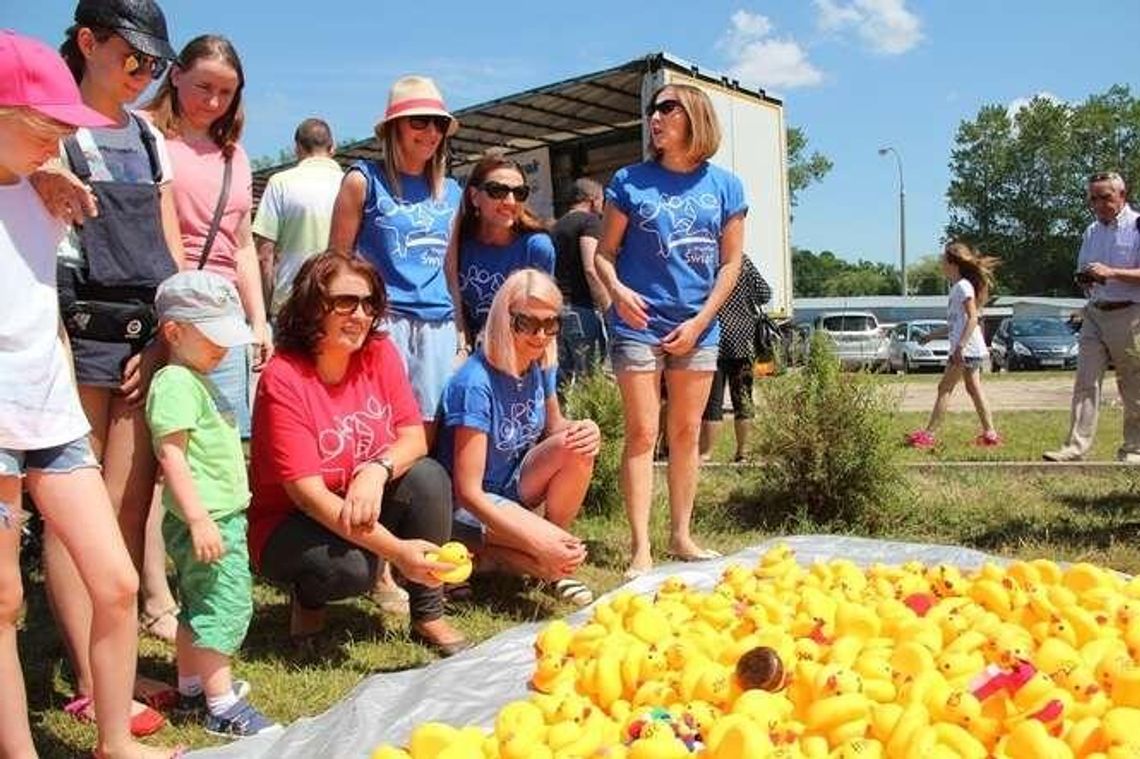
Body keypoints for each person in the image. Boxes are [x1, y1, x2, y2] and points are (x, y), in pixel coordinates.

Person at [0, 29, 181, 759]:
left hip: (53, 415)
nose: (68, 136)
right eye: (51, 122)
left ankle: (114, 741)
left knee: (113, 582)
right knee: (4, 598)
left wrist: (39, 170)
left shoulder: (50, 190)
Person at [249, 252, 469, 656]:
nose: (361, 315)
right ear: (313, 305)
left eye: (369, 304)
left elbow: (413, 439)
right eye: (346, 302)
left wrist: (376, 469)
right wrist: (398, 552)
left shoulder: (379, 353)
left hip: (361, 496)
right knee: (352, 570)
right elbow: (306, 496)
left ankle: (429, 615)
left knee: (429, 478)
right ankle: (308, 602)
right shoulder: (283, 378)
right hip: (290, 522)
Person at [594, 84, 745, 577]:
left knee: (684, 433)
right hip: (637, 324)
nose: (654, 118)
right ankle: (641, 547)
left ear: (694, 117)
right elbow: (603, 254)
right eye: (652, 110)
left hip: (698, 328)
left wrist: (702, 320)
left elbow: (730, 265)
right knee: (642, 432)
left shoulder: (726, 187)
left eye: (666, 108)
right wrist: (618, 293)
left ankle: (681, 535)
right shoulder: (629, 181)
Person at [145, 271, 278, 737]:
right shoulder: (177, 383)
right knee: (223, 607)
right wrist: (200, 518)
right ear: (175, 332)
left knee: (196, 605)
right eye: (213, 336)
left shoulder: (193, 378)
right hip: (210, 520)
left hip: (211, 518)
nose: (224, 348)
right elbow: (171, 455)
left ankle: (191, 689)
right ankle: (223, 707)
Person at [437, 269, 599, 606]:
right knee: (555, 551)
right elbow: (467, 492)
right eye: (527, 323)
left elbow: (555, 428)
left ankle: (533, 555)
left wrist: (585, 430)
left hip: (513, 487)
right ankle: (528, 558)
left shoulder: (539, 364)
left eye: (551, 324)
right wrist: (537, 541)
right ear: (503, 319)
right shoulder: (474, 383)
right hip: (467, 505)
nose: (541, 335)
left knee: (576, 448)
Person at [143, 34, 271, 440]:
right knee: (160, 447)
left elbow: (243, 246)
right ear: (176, 76)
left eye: (226, 92)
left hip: (223, 318)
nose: (214, 102)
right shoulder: (144, 133)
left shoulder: (236, 154)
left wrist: (259, 320)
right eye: (204, 87)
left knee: (218, 446)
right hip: (163, 311)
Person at [329, 75, 464, 442]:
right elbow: (336, 262)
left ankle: (417, 498)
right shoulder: (363, 179)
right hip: (382, 320)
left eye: (438, 123)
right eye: (418, 121)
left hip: (438, 323)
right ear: (394, 128)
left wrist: (462, 334)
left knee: (428, 426)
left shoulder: (452, 191)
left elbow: (449, 268)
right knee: (377, 419)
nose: (430, 132)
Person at [1044, 172, 1140, 463]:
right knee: (1086, 380)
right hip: (1095, 313)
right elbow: (1085, 268)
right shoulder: (1091, 232)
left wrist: (1111, 272)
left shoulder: (1137, 226)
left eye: (1105, 197)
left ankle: (1134, 449)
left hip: (1131, 314)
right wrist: (1086, 278)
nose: (1098, 204)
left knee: (1132, 384)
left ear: (1122, 196)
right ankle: (1074, 447)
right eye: (1093, 199)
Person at [906, 241, 1001, 449]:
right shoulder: (958, 288)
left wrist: (960, 347)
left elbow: (973, 318)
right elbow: (954, 324)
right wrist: (931, 336)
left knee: (945, 388)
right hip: (968, 348)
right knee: (973, 389)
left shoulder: (962, 287)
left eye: (943, 260)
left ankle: (928, 435)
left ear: (953, 263)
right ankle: (990, 435)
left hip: (964, 349)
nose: (941, 264)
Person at [252, 117, 343, 320]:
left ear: (297, 148)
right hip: (338, 301)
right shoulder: (350, 184)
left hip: (290, 303)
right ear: (333, 147)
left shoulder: (280, 183)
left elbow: (264, 255)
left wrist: (264, 310)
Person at [457, 155, 556, 338]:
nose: (510, 201)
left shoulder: (536, 248)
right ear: (474, 196)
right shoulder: (458, 245)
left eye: (519, 193)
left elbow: (540, 316)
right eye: (497, 191)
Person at [699, 255, 771, 462]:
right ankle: (743, 452)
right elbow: (765, 294)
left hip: (715, 339)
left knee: (713, 402)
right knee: (744, 400)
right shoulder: (743, 262)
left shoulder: (710, 262)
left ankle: (707, 452)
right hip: (744, 341)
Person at [552, 177, 609, 387]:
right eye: (602, 199)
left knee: (562, 381)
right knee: (590, 379)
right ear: (593, 199)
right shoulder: (589, 222)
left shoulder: (555, 227)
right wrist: (608, 306)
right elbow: (591, 268)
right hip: (581, 309)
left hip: (557, 311)